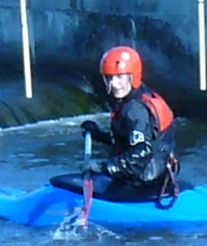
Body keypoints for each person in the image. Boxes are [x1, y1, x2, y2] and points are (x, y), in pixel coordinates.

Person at [52, 44, 181, 203]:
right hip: (155, 172)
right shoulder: (141, 97)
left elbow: (141, 153)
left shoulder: (135, 110)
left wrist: (104, 167)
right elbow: (129, 141)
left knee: (65, 183)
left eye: (120, 77)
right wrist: (99, 135)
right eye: (110, 78)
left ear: (133, 76)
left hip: (141, 179)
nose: (114, 83)